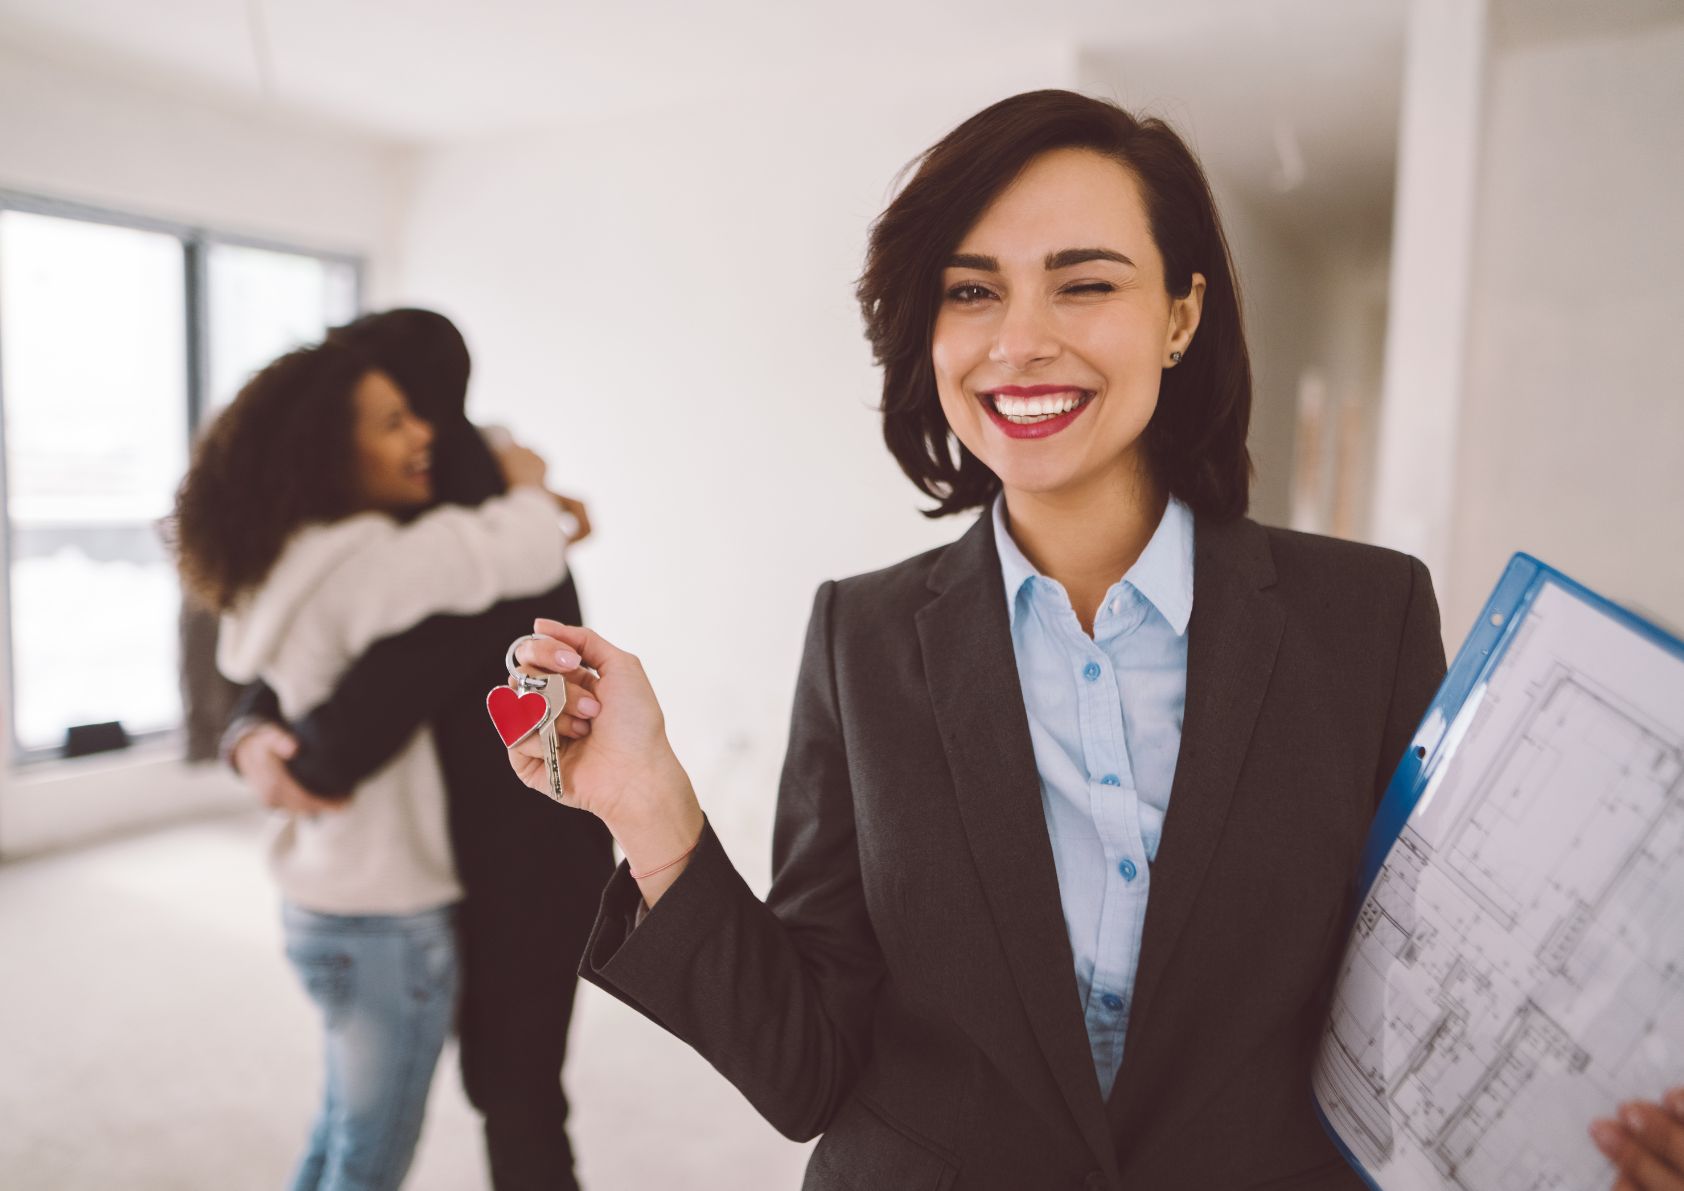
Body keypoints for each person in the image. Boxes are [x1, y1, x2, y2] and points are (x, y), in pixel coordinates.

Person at [498, 90, 1684, 1190]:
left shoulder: (1366, 618)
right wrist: (649, 811)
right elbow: (807, 1067)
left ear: (1180, 315)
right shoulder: (859, 635)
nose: (1018, 341)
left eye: (1084, 284)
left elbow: (1436, 1013)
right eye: (971, 292)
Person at [222, 309, 613, 1191]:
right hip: (447, 867)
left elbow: (335, 745)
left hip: (527, 864)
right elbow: (290, 669)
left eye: (400, 407)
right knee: (434, 1101)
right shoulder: (445, 531)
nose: (405, 430)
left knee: (513, 1097)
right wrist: (247, 735)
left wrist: (271, 745)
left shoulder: (471, 554)